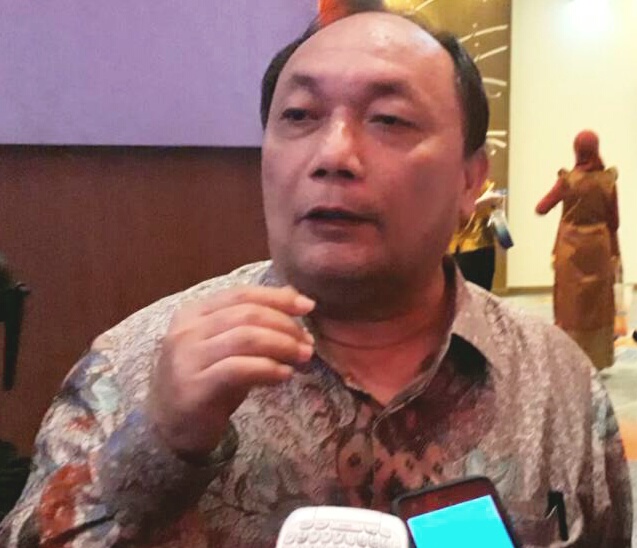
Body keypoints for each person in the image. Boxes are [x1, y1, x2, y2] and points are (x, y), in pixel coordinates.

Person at [1, 7, 631, 548]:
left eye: (389, 120)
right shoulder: (132, 367)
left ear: (471, 180)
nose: (334, 155)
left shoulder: (558, 383)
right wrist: (160, 444)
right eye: (300, 115)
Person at [536, 130, 620, 371]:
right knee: (597, 305)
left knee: (570, 305)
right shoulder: (607, 181)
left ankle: (569, 359)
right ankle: (597, 360)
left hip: (570, 251)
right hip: (599, 250)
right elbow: (614, 222)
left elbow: (541, 208)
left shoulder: (567, 181)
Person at [448, 180, 504, 291]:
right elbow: (451, 217)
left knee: (483, 292)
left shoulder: (486, 183)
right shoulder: (452, 182)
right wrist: (479, 204)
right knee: (464, 293)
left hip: (485, 248)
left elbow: (497, 217)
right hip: (462, 248)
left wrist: (504, 237)